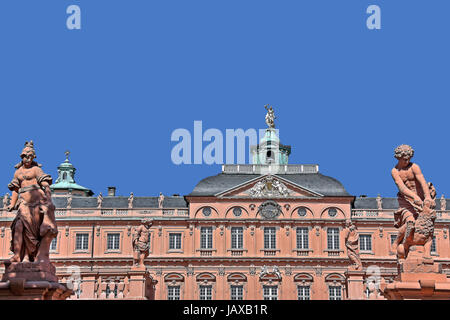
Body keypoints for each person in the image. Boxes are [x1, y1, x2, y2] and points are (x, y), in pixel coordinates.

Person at [6, 141, 57, 263]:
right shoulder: (18, 172)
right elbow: (15, 190)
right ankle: (17, 254)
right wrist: (12, 204)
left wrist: (48, 197)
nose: (27, 159)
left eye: (29, 156)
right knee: (18, 226)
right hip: (23, 203)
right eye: (24, 156)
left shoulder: (36, 170)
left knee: (31, 233)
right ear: (22, 157)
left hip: (35, 204)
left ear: (33, 157)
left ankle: (28, 256)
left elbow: (45, 184)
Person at [391, 144, 435, 261]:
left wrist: (427, 197)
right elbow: (402, 188)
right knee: (410, 222)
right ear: (398, 157)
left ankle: (425, 251)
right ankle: (396, 242)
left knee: (427, 226)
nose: (407, 161)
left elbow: (422, 181)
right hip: (407, 201)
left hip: (421, 199)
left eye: (409, 158)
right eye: (405, 159)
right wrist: (414, 197)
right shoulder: (395, 171)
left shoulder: (414, 167)